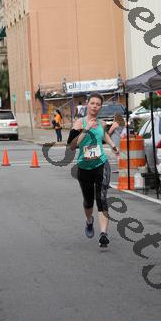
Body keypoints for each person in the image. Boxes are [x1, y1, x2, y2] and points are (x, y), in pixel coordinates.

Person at [67, 93, 119, 247]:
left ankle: (103, 234)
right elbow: (72, 146)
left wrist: (112, 145)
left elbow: (104, 135)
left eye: (98, 104)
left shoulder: (102, 123)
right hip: (84, 166)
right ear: (87, 104)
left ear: (100, 107)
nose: (95, 106)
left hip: (101, 164)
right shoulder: (79, 123)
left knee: (101, 198)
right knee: (88, 201)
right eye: (92, 103)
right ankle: (89, 221)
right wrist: (86, 129)